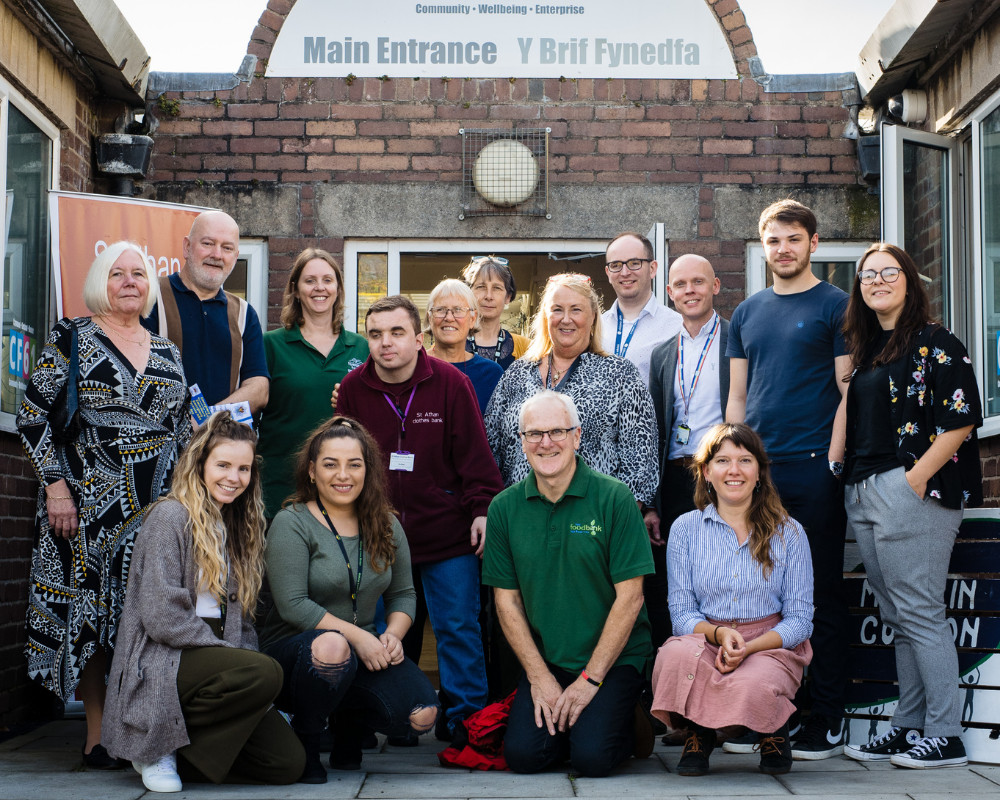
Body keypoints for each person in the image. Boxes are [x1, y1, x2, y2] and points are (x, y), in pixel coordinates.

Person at [17, 241, 191, 769]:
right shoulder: (73, 339)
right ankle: (98, 736)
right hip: (86, 507)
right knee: (91, 619)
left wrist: (190, 503)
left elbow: (184, 431)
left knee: (140, 618)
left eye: (139, 274)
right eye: (118, 274)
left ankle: (135, 728)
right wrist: (55, 487)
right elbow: (31, 417)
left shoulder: (167, 351)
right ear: (101, 281)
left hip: (156, 509)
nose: (131, 282)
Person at [102, 412, 305, 793]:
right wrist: (235, 659)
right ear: (200, 464)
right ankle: (155, 743)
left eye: (243, 469)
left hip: (216, 653)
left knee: (286, 764)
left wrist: (246, 679)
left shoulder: (236, 527)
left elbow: (243, 623)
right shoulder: (169, 516)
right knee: (267, 672)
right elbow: (163, 617)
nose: (234, 477)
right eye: (223, 465)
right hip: (166, 652)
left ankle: (184, 748)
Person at [336, 295, 503, 744]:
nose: (385, 343)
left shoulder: (451, 383)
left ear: (417, 337)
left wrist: (483, 509)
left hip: (446, 534)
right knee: (375, 633)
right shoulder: (353, 389)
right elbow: (341, 465)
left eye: (395, 333)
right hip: (376, 537)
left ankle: (467, 724)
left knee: (457, 630)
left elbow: (476, 458)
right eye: (375, 334)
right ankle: (383, 717)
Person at [840, 244, 982, 769]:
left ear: (908, 280)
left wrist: (916, 478)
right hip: (865, 487)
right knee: (899, 616)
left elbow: (962, 417)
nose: (877, 280)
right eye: (867, 274)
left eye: (888, 272)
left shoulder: (935, 341)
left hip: (911, 491)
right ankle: (908, 727)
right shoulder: (870, 349)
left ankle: (946, 735)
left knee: (920, 612)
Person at [726, 199, 851, 759]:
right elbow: (737, 397)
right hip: (757, 473)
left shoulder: (837, 306)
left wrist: (832, 461)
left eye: (793, 239)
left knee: (818, 593)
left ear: (814, 244)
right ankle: (767, 713)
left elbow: (847, 390)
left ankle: (826, 717)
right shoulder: (747, 313)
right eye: (773, 241)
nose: (783, 249)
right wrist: (729, 462)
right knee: (759, 598)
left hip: (811, 467)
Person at [482, 390, 654, 777]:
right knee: (524, 758)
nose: (546, 443)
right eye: (534, 434)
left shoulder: (614, 498)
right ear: (522, 442)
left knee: (592, 760)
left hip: (613, 659)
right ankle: (581, 726)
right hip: (550, 659)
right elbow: (505, 603)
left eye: (557, 431)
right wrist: (539, 677)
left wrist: (591, 679)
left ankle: (628, 719)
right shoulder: (504, 509)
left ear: (577, 436)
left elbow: (631, 597)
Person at [260, 417, 440, 782]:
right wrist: (359, 637)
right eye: (330, 464)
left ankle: (349, 729)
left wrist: (392, 635)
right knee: (332, 647)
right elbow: (293, 604)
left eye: (354, 464)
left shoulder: (386, 523)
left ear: (367, 470)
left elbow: (404, 593)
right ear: (311, 472)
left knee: (422, 715)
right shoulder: (291, 521)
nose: (343, 475)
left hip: (363, 650)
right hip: (296, 652)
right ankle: (307, 739)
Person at [650, 423, 814, 777]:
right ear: (707, 472)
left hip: (770, 643)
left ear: (759, 472)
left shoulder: (790, 532)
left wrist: (750, 648)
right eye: (722, 460)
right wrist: (719, 634)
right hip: (708, 638)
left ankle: (773, 727)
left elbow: (800, 619)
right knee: (674, 655)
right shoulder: (685, 529)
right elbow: (681, 613)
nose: (734, 470)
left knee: (754, 681)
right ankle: (699, 731)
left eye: (745, 460)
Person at [485, 273, 658, 505]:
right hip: (522, 516)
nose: (566, 319)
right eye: (557, 310)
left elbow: (641, 460)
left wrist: (615, 519)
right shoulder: (516, 374)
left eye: (576, 310)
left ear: (593, 317)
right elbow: (490, 448)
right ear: (545, 316)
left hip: (593, 519)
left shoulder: (620, 375)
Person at [645, 254, 729, 650]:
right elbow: (657, 429)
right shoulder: (663, 353)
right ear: (669, 293)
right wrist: (653, 502)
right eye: (680, 285)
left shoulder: (736, 339)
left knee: (723, 573)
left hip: (724, 475)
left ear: (714, 286)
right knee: (671, 578)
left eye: (698, 282)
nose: (689, 291)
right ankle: (674, 668)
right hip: (677, 478)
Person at [258, 248, 368, 517]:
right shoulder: (270, 344)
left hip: (342, 486)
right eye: (310, 281)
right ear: (295, 290)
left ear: (339, 288)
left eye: (328, 280)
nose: (320, 288)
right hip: (281, 486)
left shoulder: (362, 347)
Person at [142, 209, 269, 411]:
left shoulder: (244, 314)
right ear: (187, 247)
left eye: (227, 248)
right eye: (208, 243)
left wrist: (208, 421)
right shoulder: (150, 298)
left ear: (235, 257)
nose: (216, 255)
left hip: (225, 439)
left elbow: (259, 388)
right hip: (163, 439)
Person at [600, 232, 682, 385]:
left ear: (652, 268)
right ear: (608, 273)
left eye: (634, 263)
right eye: (616, 265)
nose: (625, 272)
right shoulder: (595, 327)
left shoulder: (677, 327)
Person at [425, 278, 503, 414]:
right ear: (430, 317)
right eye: (441, 310)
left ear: (472, 319)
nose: (449, 317)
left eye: (458, 310)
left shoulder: (491, 374)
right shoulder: (415, 367)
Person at [462, 255, 528, 369]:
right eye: (481, 287)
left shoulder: (527, 348)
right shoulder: (450, 345)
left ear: (508, 297)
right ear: (468, 294)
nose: (488, 296)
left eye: (497, 288)